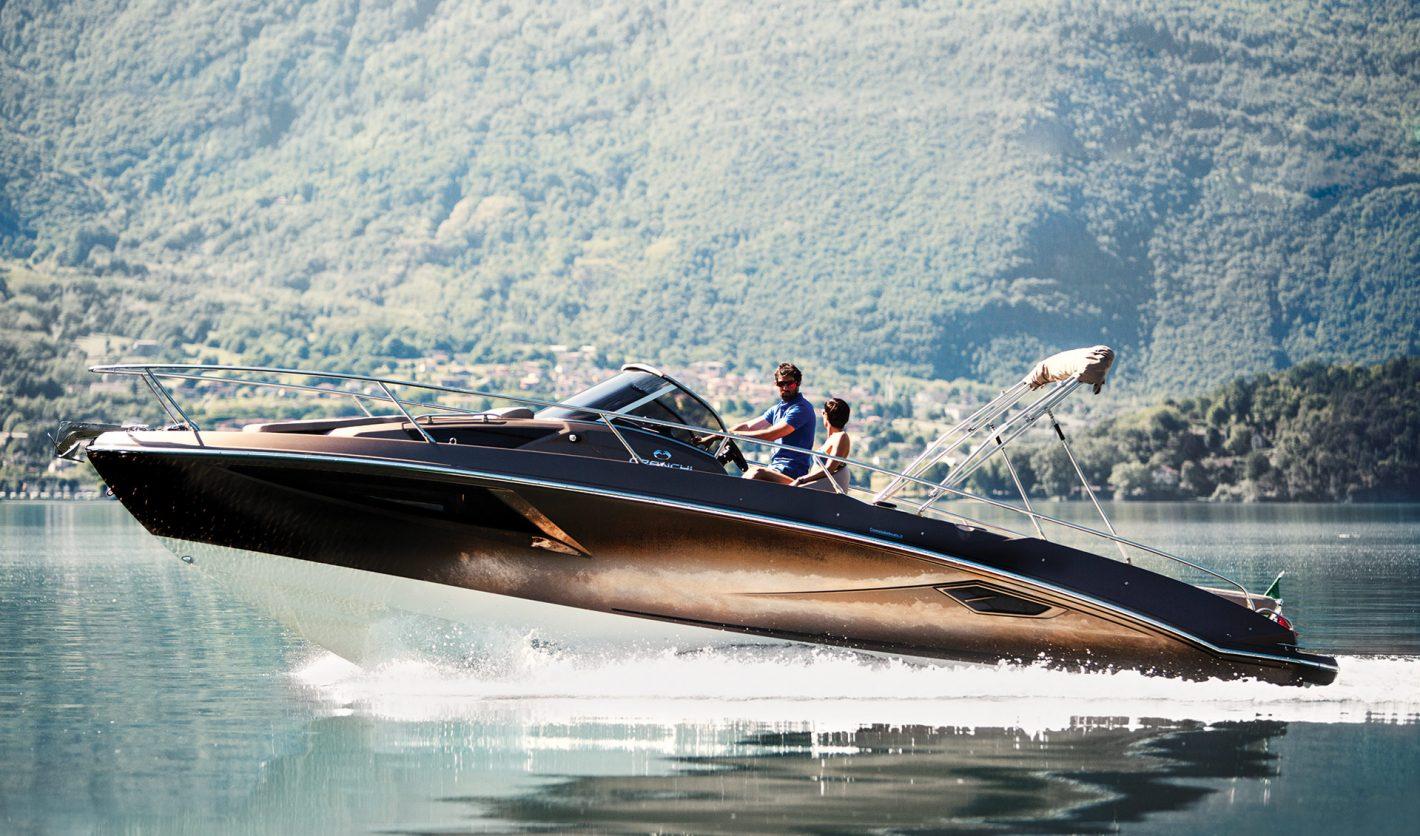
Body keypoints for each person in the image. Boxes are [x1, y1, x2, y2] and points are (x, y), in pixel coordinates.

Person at [730, 363, 816, 482]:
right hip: (776, 468)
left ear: (797, 383)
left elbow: (771, 434)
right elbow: (748, 426)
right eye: (781, 384)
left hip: (792, 473)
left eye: (789, 383)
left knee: (756, 472)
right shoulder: (777, 409)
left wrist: (736, 435)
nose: (785, 387)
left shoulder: (801, 409)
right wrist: (721, 434)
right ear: (776, 384)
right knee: (749, 473)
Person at [792, 398, 852, 492]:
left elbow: (829, 468)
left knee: (768, 476)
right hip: (816, 485)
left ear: (826, 415)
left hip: (823, 489)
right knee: (768, 475)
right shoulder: (832, 437)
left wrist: (801, 480)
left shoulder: (841, 436)